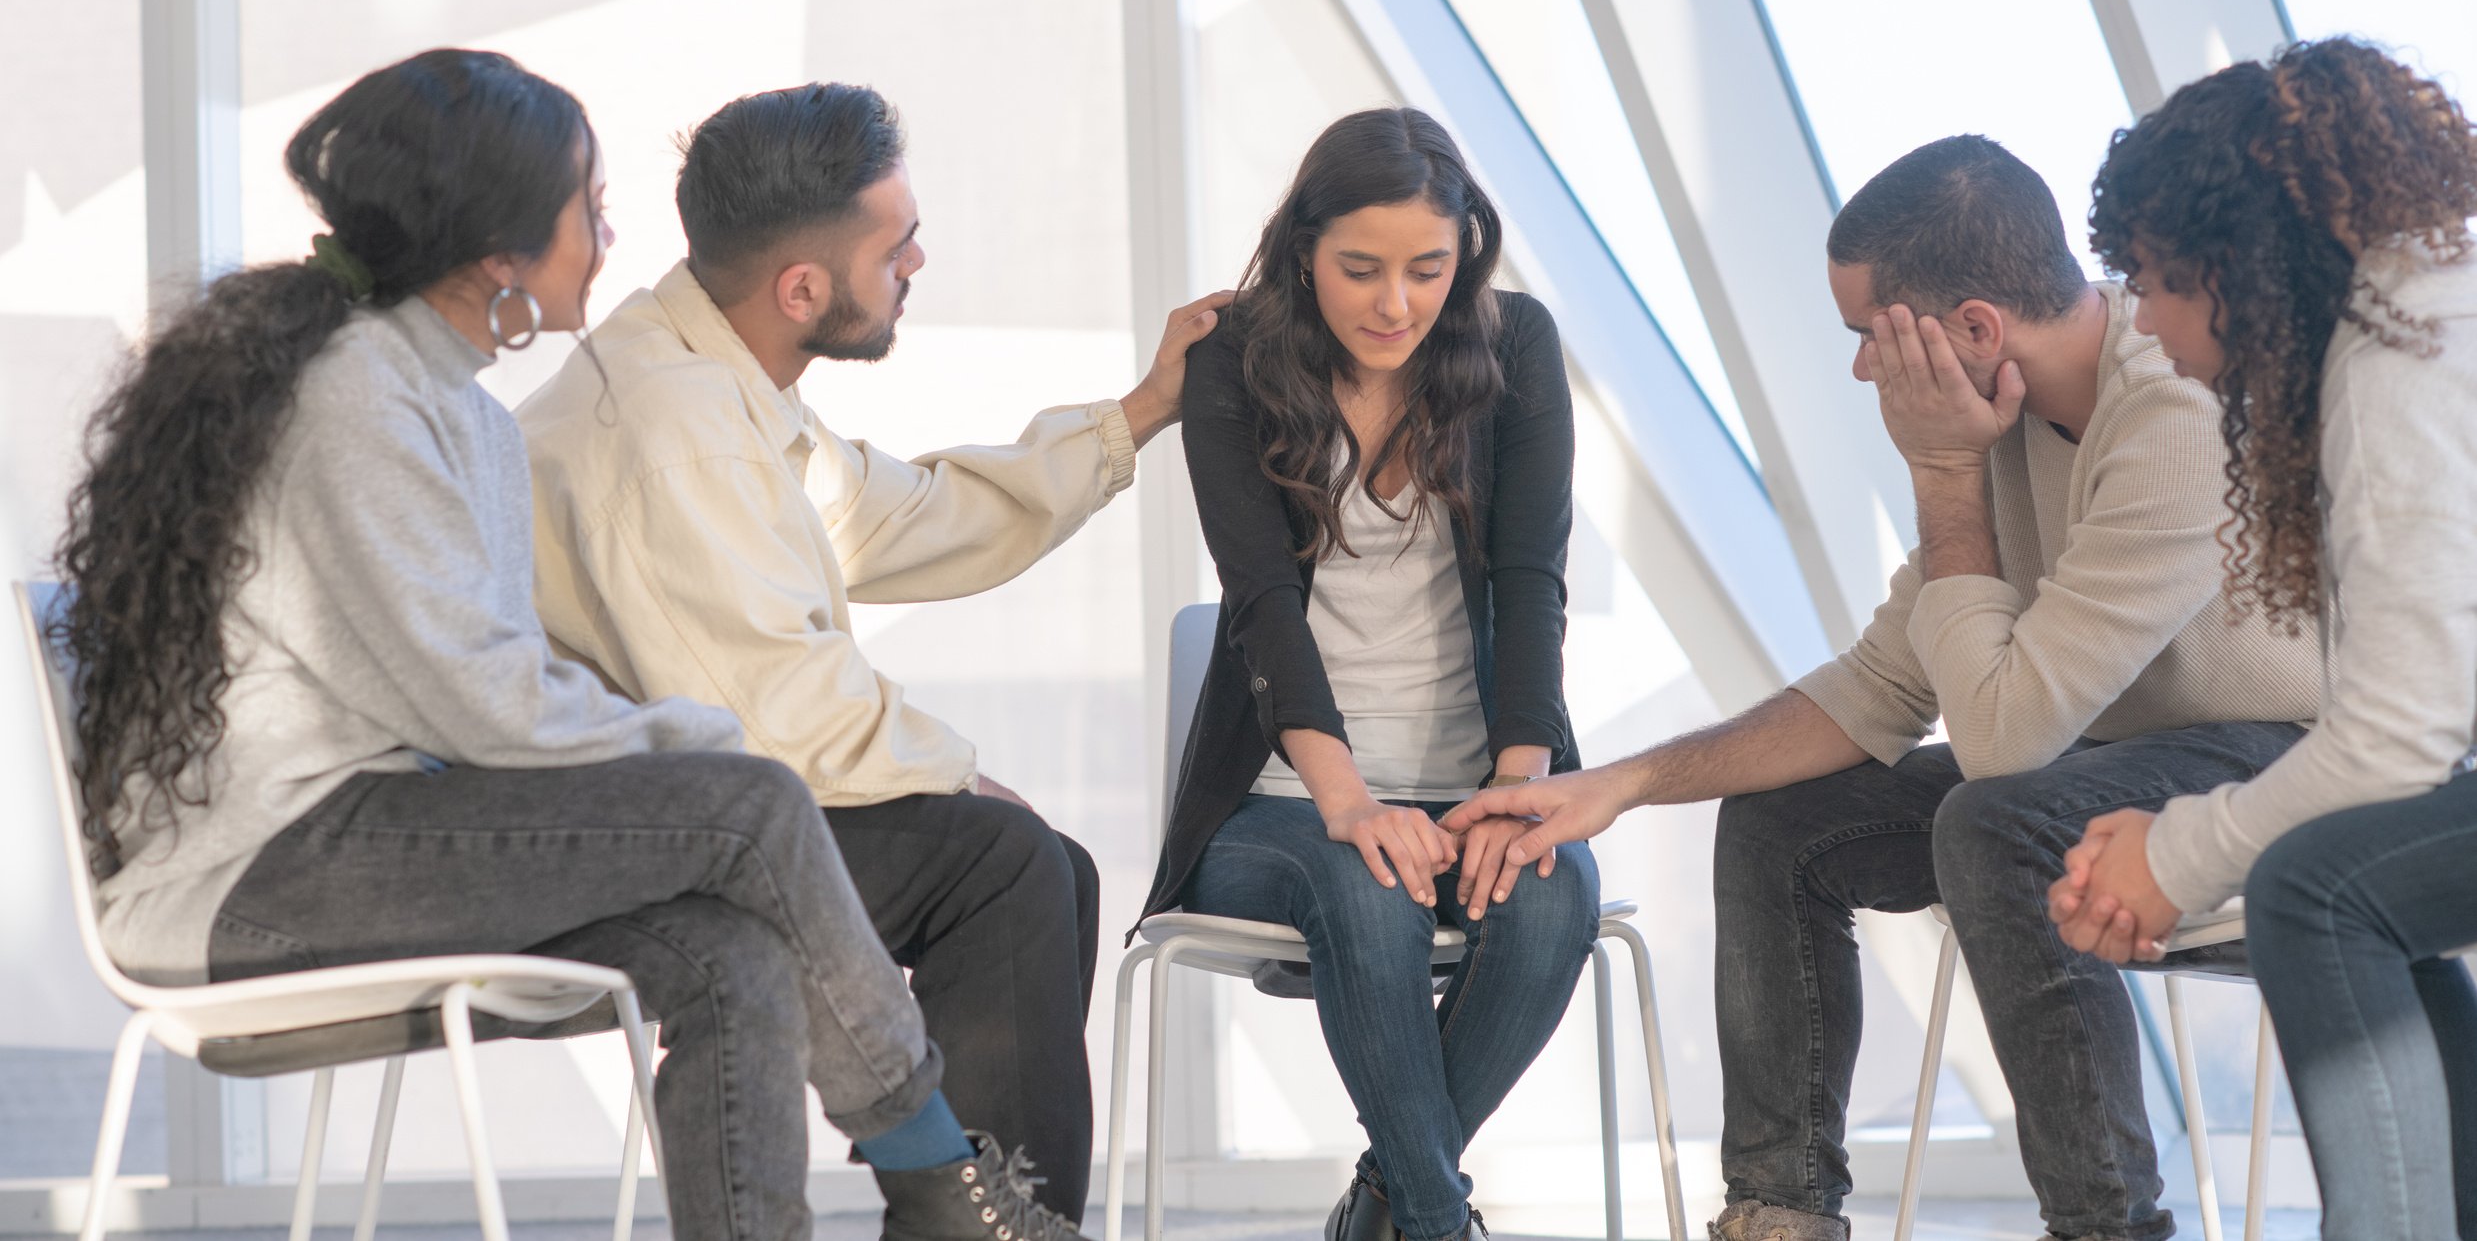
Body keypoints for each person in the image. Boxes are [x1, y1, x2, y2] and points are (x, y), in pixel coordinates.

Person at [51, 49, 1088, 1241]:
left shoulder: (458, 409)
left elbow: (488, 702)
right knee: (753, 805)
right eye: (586, 209)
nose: (609, 235)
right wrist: (702, 750)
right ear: (498, 251)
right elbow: (485, 704)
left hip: (381, 825)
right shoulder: (356, 401)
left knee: (727, 949)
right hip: (265, 871)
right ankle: (941, 1184)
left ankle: (889, 1203)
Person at [1446, 136, 2323, 1241]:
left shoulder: (2175, 419)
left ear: (1970, 329)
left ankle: (2108, 1229)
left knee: (1998, 820)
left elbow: (2004, 744)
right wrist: (1618, 782)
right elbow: (1880, 685)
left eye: (1869, 336)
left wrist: (1946, 477)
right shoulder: (1999, 420)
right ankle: (1779, 1214)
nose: (1862, 371)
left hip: (2285, 758)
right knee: (1781, 826)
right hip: (2104, 766)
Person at [518, 80, 1231, 1224]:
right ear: (802, 287)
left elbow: (902, 514)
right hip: (621, 842)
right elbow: (777, 709)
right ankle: (982, 1216)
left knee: (1044, 861)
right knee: (1001, 861)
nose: (919, 260)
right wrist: (956, 768)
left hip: (705, 790)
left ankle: (977, 1205)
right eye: (896, 245)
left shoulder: (715, 372)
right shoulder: (672, 436)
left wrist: (1142, 409)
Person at [1136, 108, 1596, 1241]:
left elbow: (1532, 577)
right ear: (1303, 251)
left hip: (1470, 774)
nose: (1394, 302)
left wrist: (1519, 786)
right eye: (1360, 269)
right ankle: (1436, 1221)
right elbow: (1258, 602)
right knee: (1367, 885)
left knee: (1554, 897)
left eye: (1426, 269)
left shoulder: (1515, 345)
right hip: (1283, 801)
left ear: (1463, 257)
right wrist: (1347, 801)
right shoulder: (1233, 361)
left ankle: (1386, 1201)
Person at [2047, 39, 2477, 1241]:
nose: (2136, 317)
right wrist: (2171, 858)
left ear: (2229, 263)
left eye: (2146, 277)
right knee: (2355, 876)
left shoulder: (2399, 364)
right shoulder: (2417, 315)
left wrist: (2172, 856)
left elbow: (2394, 746)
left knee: (2316, 884)